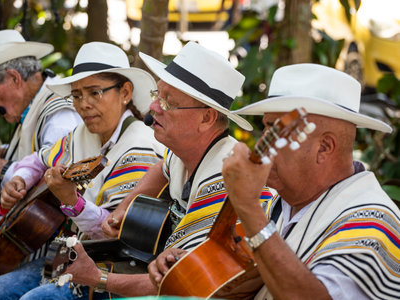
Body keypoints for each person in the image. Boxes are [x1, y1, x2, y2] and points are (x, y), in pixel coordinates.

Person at [150, 63, 400, 299]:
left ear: (324, 148)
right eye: (265, 130)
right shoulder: (281, 206)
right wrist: (194, 265)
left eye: (275, 133)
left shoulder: (373, 223)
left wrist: (248, 208)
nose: (261, 145)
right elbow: (252, 270)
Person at [58, 41, 273, 298]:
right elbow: (163, 166)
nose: (153, 109)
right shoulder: (183, 152)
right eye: (156, 96)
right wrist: (128, 203)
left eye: (168, 103)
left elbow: (181, 281)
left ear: (207, 118)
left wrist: (98, 278)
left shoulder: (222, 178)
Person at [0, 41, 165, 300]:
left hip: (114, 265)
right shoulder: (80, 135)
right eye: (77, 95)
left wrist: (72, 202)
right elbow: (39, 159)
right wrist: (21, 178)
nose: (83, 104)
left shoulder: (140, 148)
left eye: (95, 93)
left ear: (125, 92)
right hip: (72, 251)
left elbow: (115, 234)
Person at [0, 30, 81, 300]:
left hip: (69, 247)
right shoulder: (36, 105)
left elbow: (56, 175)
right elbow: (37, 153)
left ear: (14, 78)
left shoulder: (58, 113)